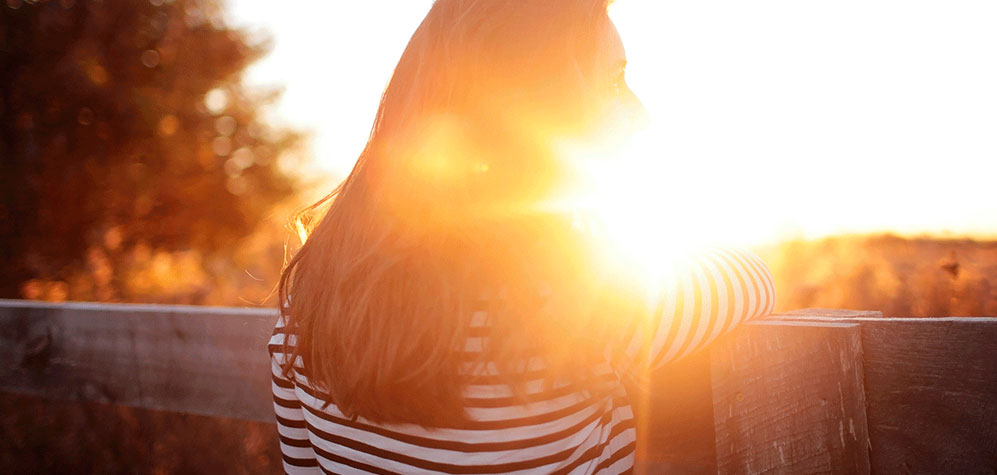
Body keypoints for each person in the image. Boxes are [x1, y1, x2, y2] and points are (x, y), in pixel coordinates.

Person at [268, 0, 775, 473]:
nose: (642, 115)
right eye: (615, 80)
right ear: (540, 105)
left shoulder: (305, 307)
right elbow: (753, 279)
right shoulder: (580, 300)